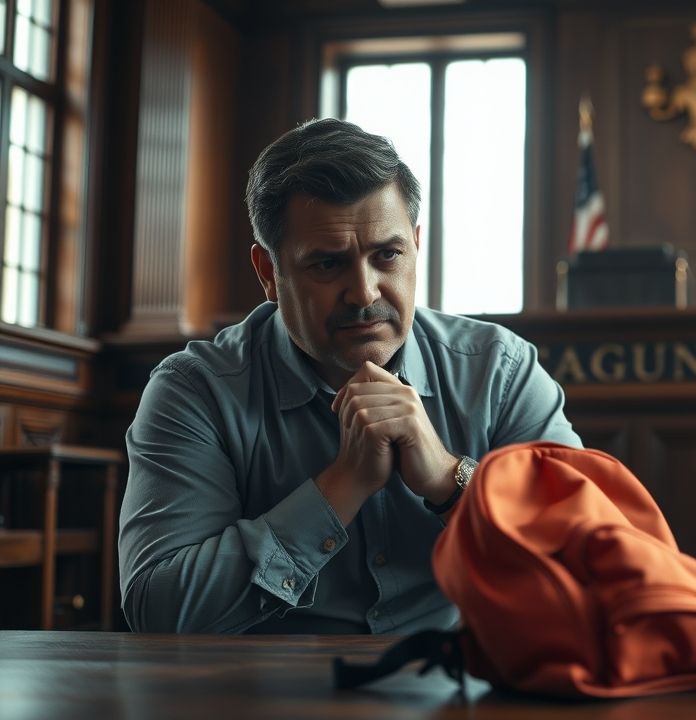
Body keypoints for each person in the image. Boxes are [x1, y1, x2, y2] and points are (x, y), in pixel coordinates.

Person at [118, 118, 582, 634]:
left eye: (387, 255)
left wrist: (449, 480)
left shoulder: (499, 371)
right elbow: (158, 611)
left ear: (416, 246)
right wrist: (340, 487)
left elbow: (590, 565)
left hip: (451, 676)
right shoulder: (196, 391)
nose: (364, 292)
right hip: (260, 680)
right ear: (268, 272)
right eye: (327, 264)